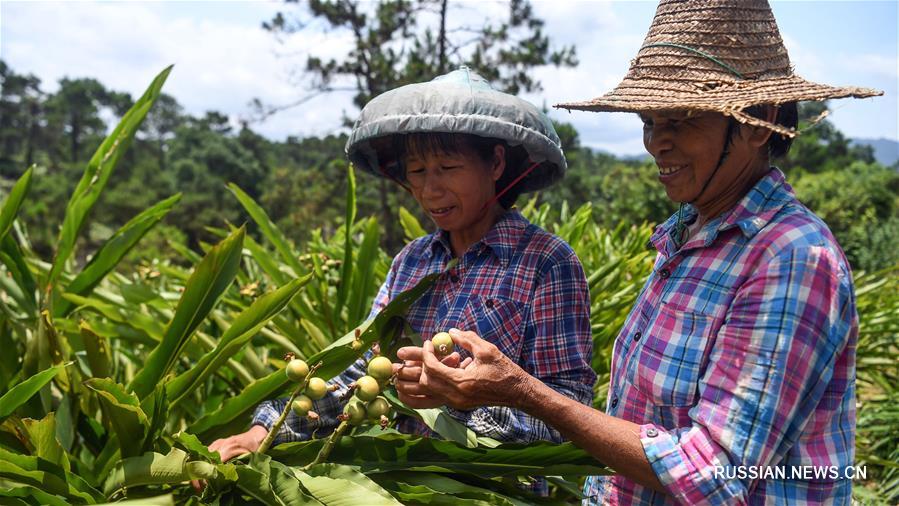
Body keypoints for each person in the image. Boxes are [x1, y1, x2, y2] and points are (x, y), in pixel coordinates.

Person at [395, 1, 882, 504]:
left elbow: (712, 475)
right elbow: (644, 421)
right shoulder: (690, 239)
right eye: (650, 121)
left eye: (680, 120)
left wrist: (520, 391)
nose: (656, 143)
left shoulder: (790, 260)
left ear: (758, 123)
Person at [205, 68, 596, 474]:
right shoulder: (411, 261)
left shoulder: (545, 263)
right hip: (398, 486)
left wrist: (460, 401)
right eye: (417, 171)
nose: (430, 190)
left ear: (496, 163)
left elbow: (568, 414)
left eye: (447, 167)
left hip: (491, 491)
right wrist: (265, 430)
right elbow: (362, 371)